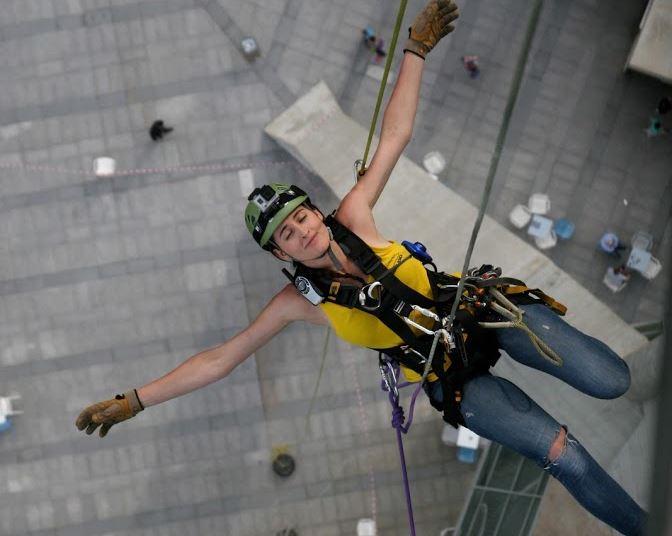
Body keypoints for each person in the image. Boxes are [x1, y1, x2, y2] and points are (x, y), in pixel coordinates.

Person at [76, 2, 647, 534]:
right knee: (563, 457)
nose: (303, 229)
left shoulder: (353, 214)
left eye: (301, 215)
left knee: (612, 380)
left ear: (313, 209)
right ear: (281, 254)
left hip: (478, 310)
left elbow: (395, 136)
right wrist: (138, 399)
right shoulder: (298, 303)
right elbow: (222, 359)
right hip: (448, 374)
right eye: (289, 234)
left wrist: (415, 52)